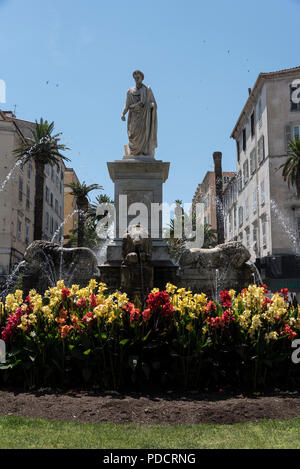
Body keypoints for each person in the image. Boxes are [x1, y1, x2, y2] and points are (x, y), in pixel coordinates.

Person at [121, 70, 157, 157]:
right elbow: (127, 105)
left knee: (144, 135)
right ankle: (133, 152)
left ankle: (143, 152)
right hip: (133, 117)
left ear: (142, 78)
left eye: (138, 78)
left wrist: (151, 105)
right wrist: (123, 114)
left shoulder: (147, 90)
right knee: (133, 135)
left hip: (144, 117)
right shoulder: (130, 91)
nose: (137, 79)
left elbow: (154, 103)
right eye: (135, 78)